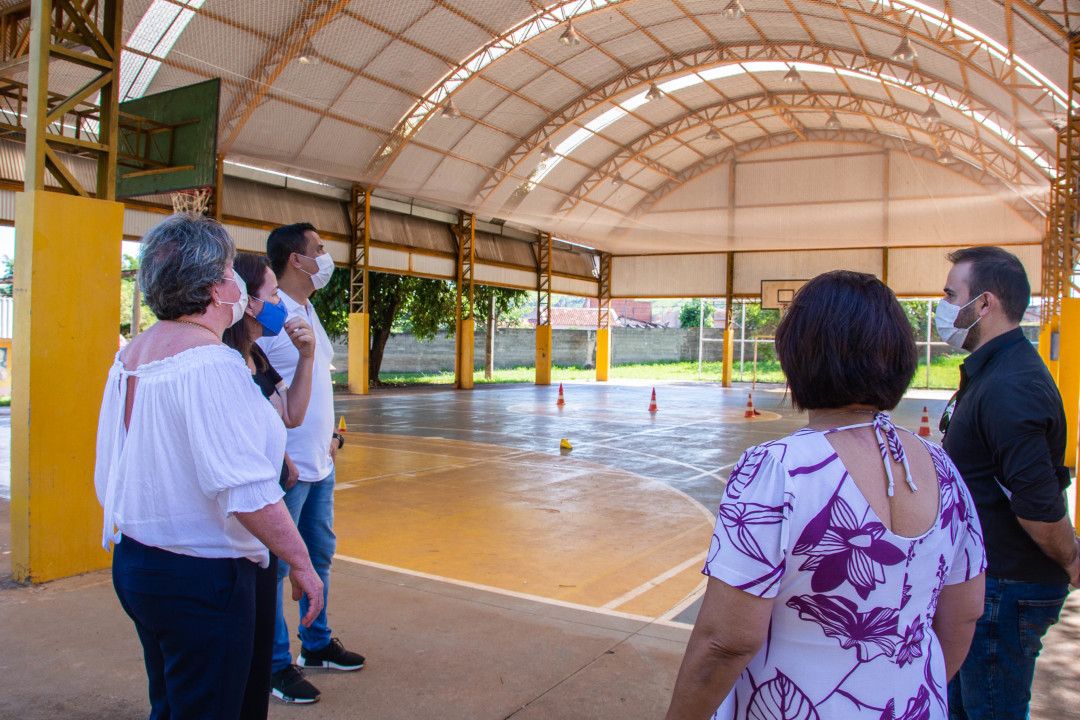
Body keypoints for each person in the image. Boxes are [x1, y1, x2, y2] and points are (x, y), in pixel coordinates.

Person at [665, 270, 986, 720]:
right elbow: (965, 614)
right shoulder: (943, 469)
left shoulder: (779, 469)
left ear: (799, 356)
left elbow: (726, 640)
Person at [94, 214, 325, 719]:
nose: (238, 284)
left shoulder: (133, 354)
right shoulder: (210, 365)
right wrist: (302, 561)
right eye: (229, 271)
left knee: (175, 704)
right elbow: (246, 490)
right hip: (202, 577)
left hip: (139, 561)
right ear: (212, 287)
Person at [937, 246, 1079, 719]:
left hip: (1005, 587)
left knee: (990, 711)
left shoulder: (1011, 385)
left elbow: (1037, 503)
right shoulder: (992, 371)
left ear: (984, 304)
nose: (943, 307)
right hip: (986, 581)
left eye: (950, 295)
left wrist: (1072, 558)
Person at [259, 223, 362, 704]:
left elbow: (315, 381)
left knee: (318, 557)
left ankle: (315, 647)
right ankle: (275, 664)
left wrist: (331, 437)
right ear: (296, 260)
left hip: (320, 463)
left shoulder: (307, 309)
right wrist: (282, 457)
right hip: (289, 471)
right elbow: (259, 394)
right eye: (318, 249)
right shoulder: (271, 316)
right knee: (278, 569)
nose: (326, 257)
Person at [222, 251, 317, 719]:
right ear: (248, 302)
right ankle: (278, 667)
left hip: (256, 532)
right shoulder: (220, 366)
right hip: (240, 534)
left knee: (249, 661)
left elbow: (290, 415)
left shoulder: (255, 357)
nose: (281, 302)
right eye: (273, 293)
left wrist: (308, 357)